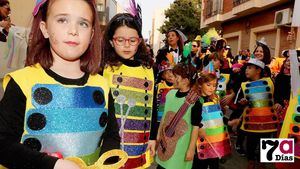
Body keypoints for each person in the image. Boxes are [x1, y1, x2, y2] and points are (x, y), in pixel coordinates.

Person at [0, 0, 120, 168]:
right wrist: (53, 165)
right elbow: (3, 144)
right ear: (44, 28)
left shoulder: (102, 85)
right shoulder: (23, 82)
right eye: (62, 20)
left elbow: (112, 136)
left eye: (83, 23)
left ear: (92, 35)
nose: (73, 31)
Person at [102, 13, 156, 169]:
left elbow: (152, 105)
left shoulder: (148, 69)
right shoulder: (103, 68)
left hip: (140, 142)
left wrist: (152, 136)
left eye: (132, 40)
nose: (127, 45)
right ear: (111, 41)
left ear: (139, 41)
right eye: (120, 40)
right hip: (111, 141)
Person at [156, 63, 200, 169]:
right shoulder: (170, 94)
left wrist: (191, 149)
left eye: (176, 76)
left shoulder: (196, 101)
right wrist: (158, 134)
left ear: (185, 80)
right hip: (165, 141)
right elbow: (165, 117)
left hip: (181, 145)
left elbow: (195, 127)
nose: (172, 78)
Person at [237, 58, 278, 169]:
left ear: (258, 70)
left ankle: (261, 162)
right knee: (251, 143)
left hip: (268, 123)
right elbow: (239, 101)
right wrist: (242, 102)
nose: (246, 70)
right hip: (252, 124)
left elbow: (276, 96)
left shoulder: (270, 82)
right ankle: (250, 161)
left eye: (250, 68)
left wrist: (278, 103)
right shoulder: (244, 85)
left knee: (265, 143)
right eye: (246, 68)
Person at [192, 72, 232, 169]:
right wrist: (199, 128)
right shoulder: (195, 100)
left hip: (215, 141)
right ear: (200, 84)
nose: (212, 88)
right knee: (200, 165)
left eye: (214, 85)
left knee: (214, 164)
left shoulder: (215, 99)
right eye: (208, 85)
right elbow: (191, 118)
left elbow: (218, 120)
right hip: (201, 142)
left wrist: (228, 123)